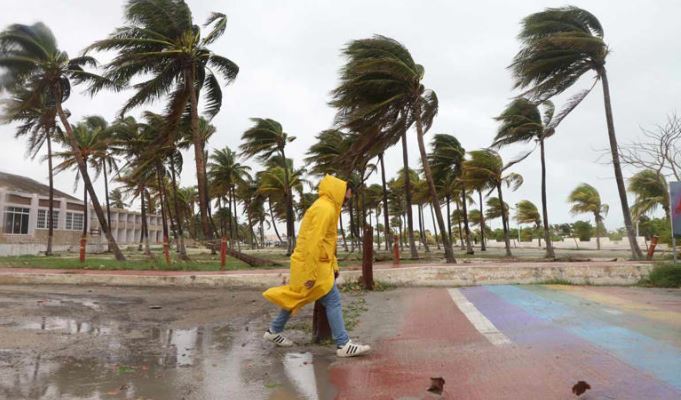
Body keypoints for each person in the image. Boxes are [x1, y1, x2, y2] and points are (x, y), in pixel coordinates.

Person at [262, 175, 371, 357]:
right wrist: (311, 274)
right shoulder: (325, 209)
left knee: (296, 297)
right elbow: (314, 242)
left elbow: (328, 242)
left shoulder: (326, 207)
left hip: (314, 263)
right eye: (346, 198)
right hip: (311, 265)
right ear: (340, 193)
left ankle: (273, 331)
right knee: (332, 300)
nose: (346, 203)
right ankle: (343, 344)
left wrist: (334, 266)